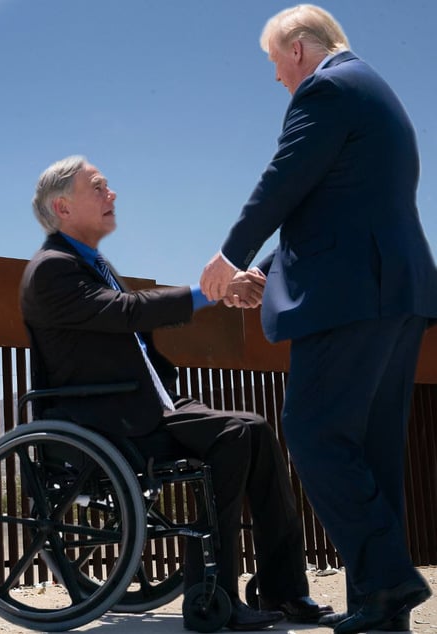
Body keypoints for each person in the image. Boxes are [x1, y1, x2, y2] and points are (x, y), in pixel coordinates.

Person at [199, 5, 437, 634]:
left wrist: (230, 257)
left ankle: (387, 580)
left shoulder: (326, 87)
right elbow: (337, 206)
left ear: (298, 51)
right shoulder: (371, 88)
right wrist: (270, 275)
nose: (276, 76)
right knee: (371, 452)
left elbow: (285, 180)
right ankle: (380, 611)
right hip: (394, 289)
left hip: (350, 297)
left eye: (275, 62)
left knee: (311, 431)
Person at [22, 155, 331, 631]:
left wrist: (223, 290)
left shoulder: (90, 265)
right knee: (232, 435)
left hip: (143, 403)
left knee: (255, 429)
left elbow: (125, 316)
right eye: (99, 187)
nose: (112, 194)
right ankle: (214, 595)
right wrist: (214, 290)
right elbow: (126, 312)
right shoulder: (52, 270)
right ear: (62, 207)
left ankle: (282, 588)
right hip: (105, 418)